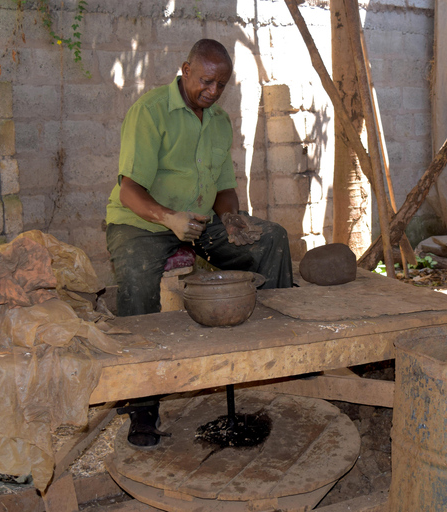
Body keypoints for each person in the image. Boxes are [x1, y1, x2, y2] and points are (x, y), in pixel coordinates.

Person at [105, 39, 294, 447]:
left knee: (272, 239)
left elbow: (224, 187)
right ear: (186, 69)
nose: (212, 91)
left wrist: (232, 220)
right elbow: (129, 191)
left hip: (199, 221)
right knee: (138, 282)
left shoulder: (219, 121)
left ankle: (282, 358)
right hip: (143, 221)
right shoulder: (150, 111)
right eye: (206, 81)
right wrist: (168, 218)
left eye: (221, 85)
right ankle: (141, 407)